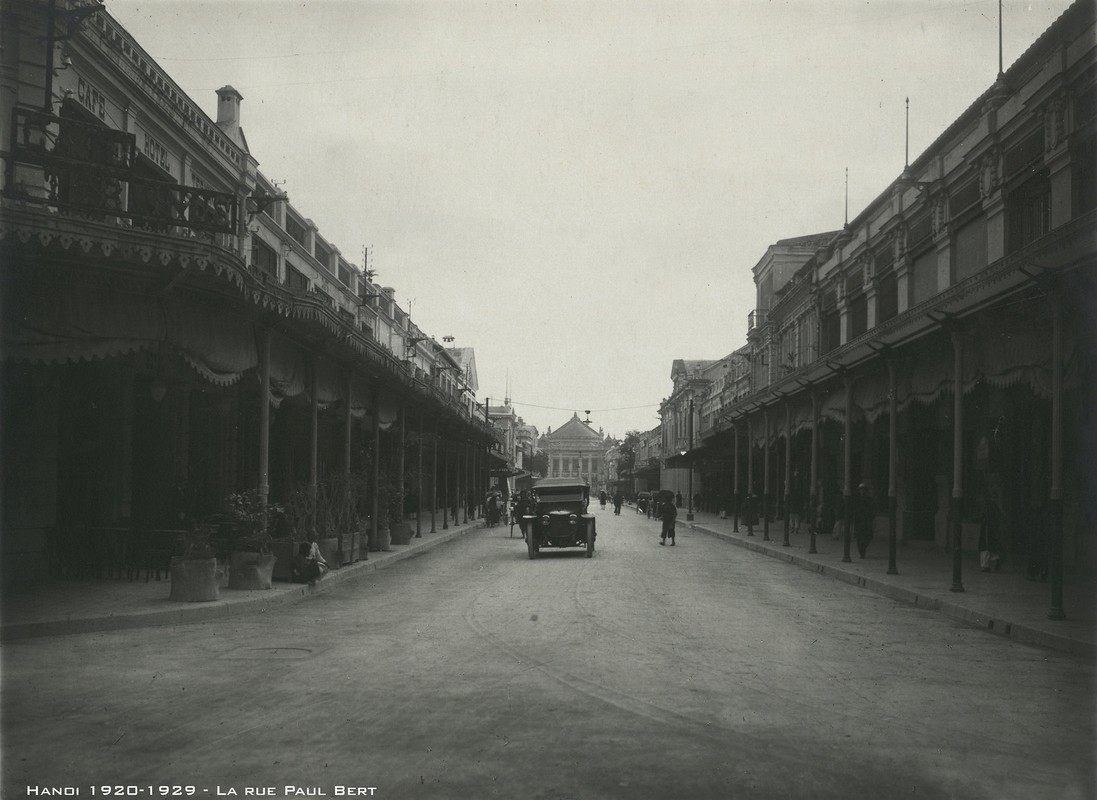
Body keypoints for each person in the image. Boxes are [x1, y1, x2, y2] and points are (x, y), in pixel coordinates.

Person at [853, 482, 874, 558]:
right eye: (861, 490)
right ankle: (861, 552)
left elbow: (872, 509)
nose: (862, 491)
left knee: (867, 537)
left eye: (864, 490)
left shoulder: (869, 499)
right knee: (859, 537)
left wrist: (871, 517)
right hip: (859, 521)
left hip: (867, 520)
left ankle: (863, 548)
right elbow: (855, 510)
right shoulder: (857, 499)